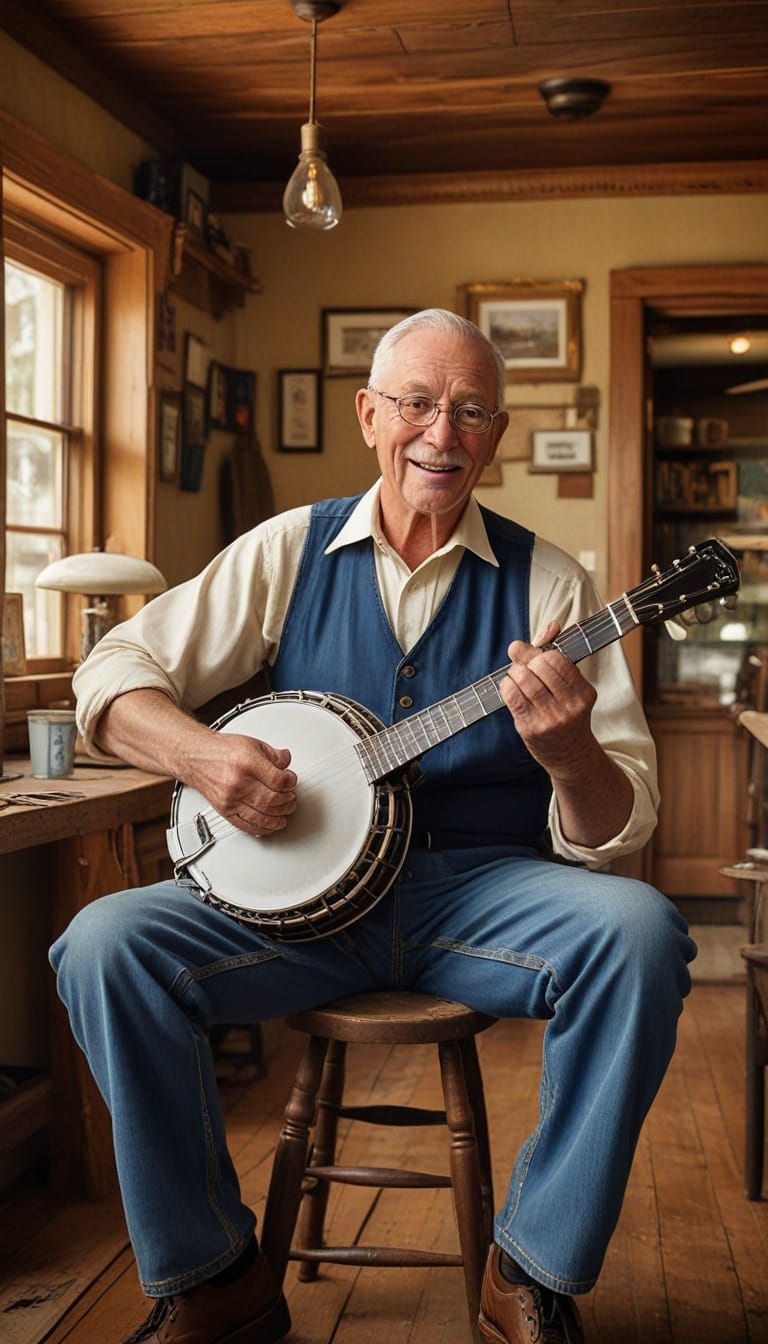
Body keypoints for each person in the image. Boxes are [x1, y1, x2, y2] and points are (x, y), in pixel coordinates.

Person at [51, 309, 694, 1344]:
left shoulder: (552, 584)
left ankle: (531, 1266)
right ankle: (217, 1278)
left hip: (479, 894)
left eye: (472, 411)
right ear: (369, 416)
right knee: (104, 943)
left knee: (642, 934)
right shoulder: (288, 551)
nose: (442, 432)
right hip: (296, 906)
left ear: (497, 433)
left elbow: (620, 826)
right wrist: (201, 755)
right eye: (418, 403)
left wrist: (570, 756)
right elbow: (112, 673)